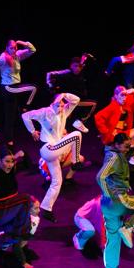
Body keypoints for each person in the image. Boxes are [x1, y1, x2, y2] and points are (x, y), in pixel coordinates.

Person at [22, 93, 86, 223]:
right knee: (77, 134)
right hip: (48, 149)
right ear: (52, 103)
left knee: (57, 182)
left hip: (55, 151)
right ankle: (75, 161)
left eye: (62, 105)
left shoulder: (64, 112)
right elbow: (25, 115)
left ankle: (46, 209)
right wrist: (32, 131)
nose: (61, 107)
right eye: (58, 104)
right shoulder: (45, 111)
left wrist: (64, 95)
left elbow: (77, 100)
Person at [97, 133, 134, 268]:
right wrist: (110, 193)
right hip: (117, 200)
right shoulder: (113, 157)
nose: (128, 149)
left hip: (107, 205)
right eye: (125, 146)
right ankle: (129, 227)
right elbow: (100, 177)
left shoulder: (117, 152)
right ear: (117, 145)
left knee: (113, 238)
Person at [0, 39, 37, 146]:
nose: (14, 50)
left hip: (15, 87)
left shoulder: (18, 55)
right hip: (8, 88)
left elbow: (32, 50)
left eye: (15, 47)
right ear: (7, 48)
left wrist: (22, 43)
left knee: (10, 117)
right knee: (33, 88)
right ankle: (25, 106)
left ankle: (9, 141)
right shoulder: (2, 58)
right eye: (11, 48)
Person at [94, 86, 134, 167]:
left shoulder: (127, 103)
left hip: (123, 132)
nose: (124, 98)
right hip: (115, 135)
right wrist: (106, 131)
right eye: (121, 95)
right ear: (116, 96)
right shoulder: (112, 106)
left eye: (125, 95)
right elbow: (98, 117)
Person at [46, 54, 97, 133]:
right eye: (75, 66)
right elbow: (49, 74)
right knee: (64, 115)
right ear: (71, 66)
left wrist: (85, 58)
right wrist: (51, 87)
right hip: (67, 100)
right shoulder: (67, 72)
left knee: (93, 104)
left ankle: (79, 121)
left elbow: (85, 63)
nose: (77, 68)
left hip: (79, 100)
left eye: (79, 66)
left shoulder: (81, 71)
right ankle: (60, 127)